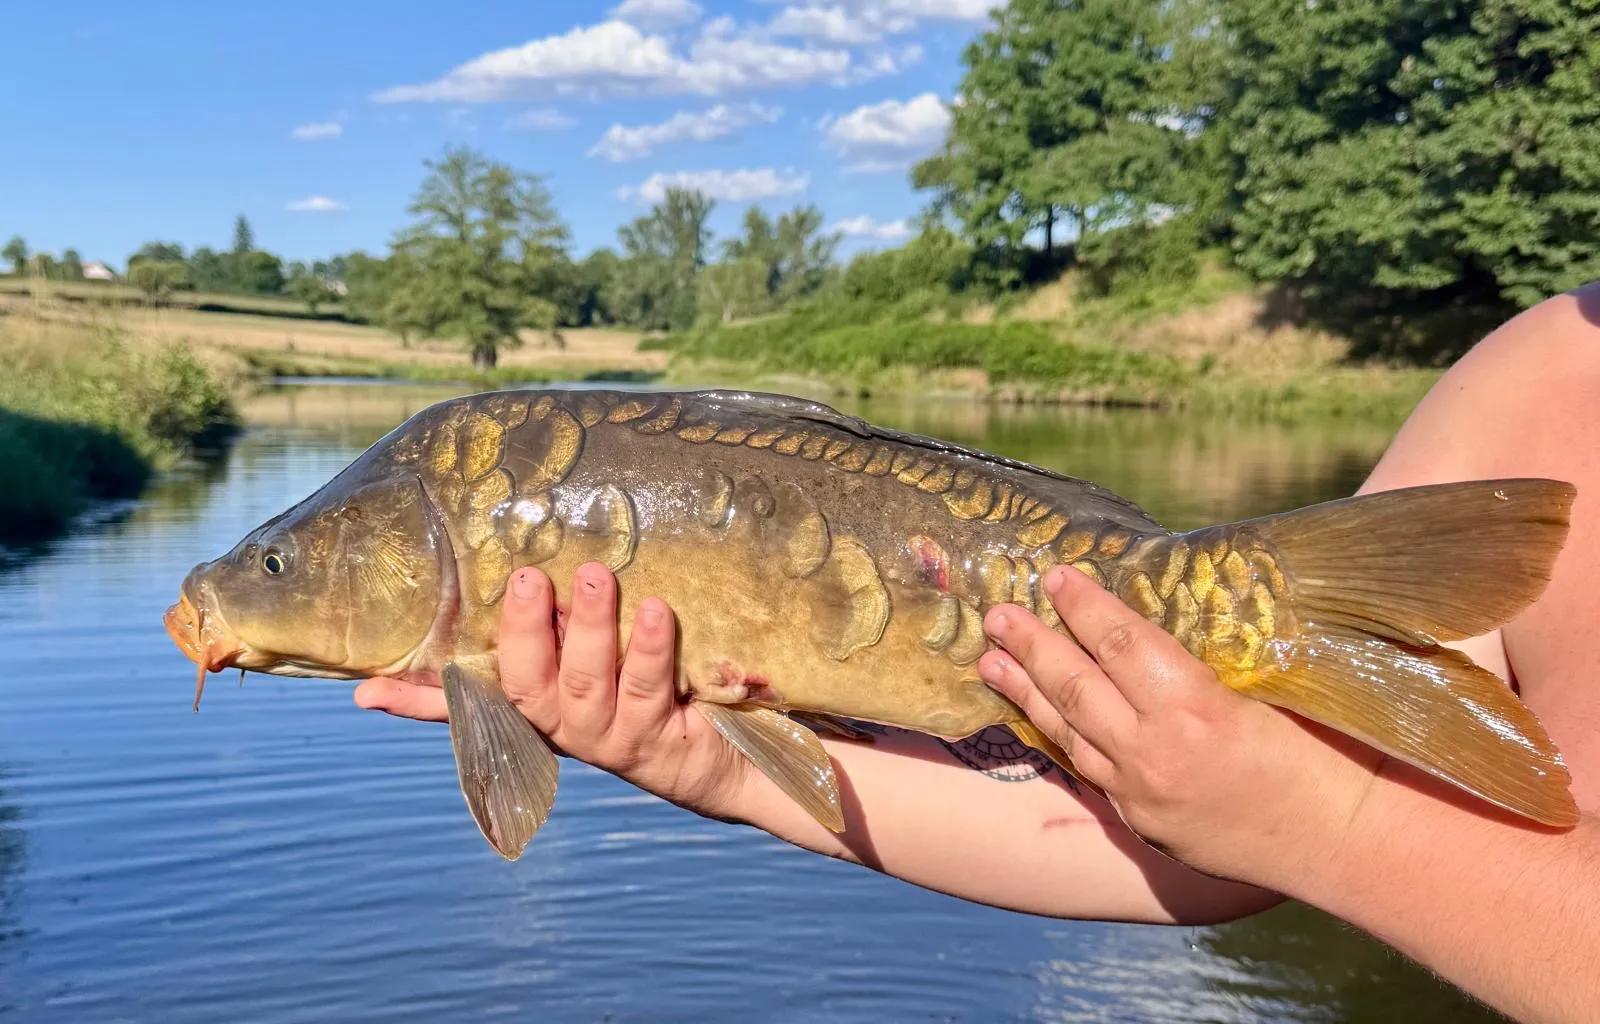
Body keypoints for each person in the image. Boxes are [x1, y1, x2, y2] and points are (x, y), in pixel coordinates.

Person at [356, 283, 1600, 1024]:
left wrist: (1335, 827)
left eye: (279, 566)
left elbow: (1315, 818)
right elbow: (1211, 837)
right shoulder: (1538, 374)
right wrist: (719, 769)